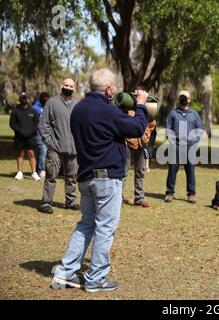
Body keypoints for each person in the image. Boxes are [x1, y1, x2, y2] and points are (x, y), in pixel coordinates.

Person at [51, 68, 149, 292]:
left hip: (86, 176)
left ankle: (65, 273)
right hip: (107, 179)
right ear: (108, 89)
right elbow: (136, 128)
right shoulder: (107, 110)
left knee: (86, 224)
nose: (115, 89)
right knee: (105, 228)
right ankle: (96, 279)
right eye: (113, 86)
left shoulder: (79, 109)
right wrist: (141, 104)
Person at [39, 79, 79, 214]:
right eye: (66, 85)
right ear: (61, 86)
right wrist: (49, 142)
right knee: (51, 175)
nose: (68, 87)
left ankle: (71, 201)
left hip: (73, 148)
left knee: (72, 177)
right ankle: (46, 203)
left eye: (71, 86)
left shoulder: (77, 104)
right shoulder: (52, 102)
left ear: (74, 88)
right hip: (55, 147)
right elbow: (43, 124)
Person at [164, 90, 202, 203]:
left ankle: (191, 194)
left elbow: (198, 130)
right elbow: (168, 129)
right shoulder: (173, 113)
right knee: (172, 170)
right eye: (182, 97)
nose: (184, 99)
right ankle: (169, 193)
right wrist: (171, 141)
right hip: (175, 145)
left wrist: (194, 142)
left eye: (185, 97)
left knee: (190, 170)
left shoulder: (194, 114)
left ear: (189, 99)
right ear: (179, 99)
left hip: (189, 146)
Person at [124, 110, 157, 207]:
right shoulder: (128, 109)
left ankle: (139, 198)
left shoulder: (148, 110)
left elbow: (152, 126)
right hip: (127, 143)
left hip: (143, 144)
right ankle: (119, 198)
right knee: (123, 172)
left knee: (140, 172)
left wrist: (147, 135)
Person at [9, 92, 41, 181]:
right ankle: (19, 172)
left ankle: (34, 173)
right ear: (20, 99)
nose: (23, 100)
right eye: (22, 98)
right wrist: (20, 131)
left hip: (30, 137)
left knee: (31, 154)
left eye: (25, 98)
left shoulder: (33, 111)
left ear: (27, 99)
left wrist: (31, 132)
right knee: (20, 154)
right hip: (19, 137)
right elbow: (12, 124)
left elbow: (36, 123)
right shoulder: (15, 111)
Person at [32, 92, 50, 179]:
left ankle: (38, 169)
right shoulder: (35, 108)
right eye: (45, 99)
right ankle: (42, 170)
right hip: (38, 133)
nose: (46, 101)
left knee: (43, 152)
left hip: (47, 132)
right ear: (41, 99)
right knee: (43, 150)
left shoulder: (48, 106)